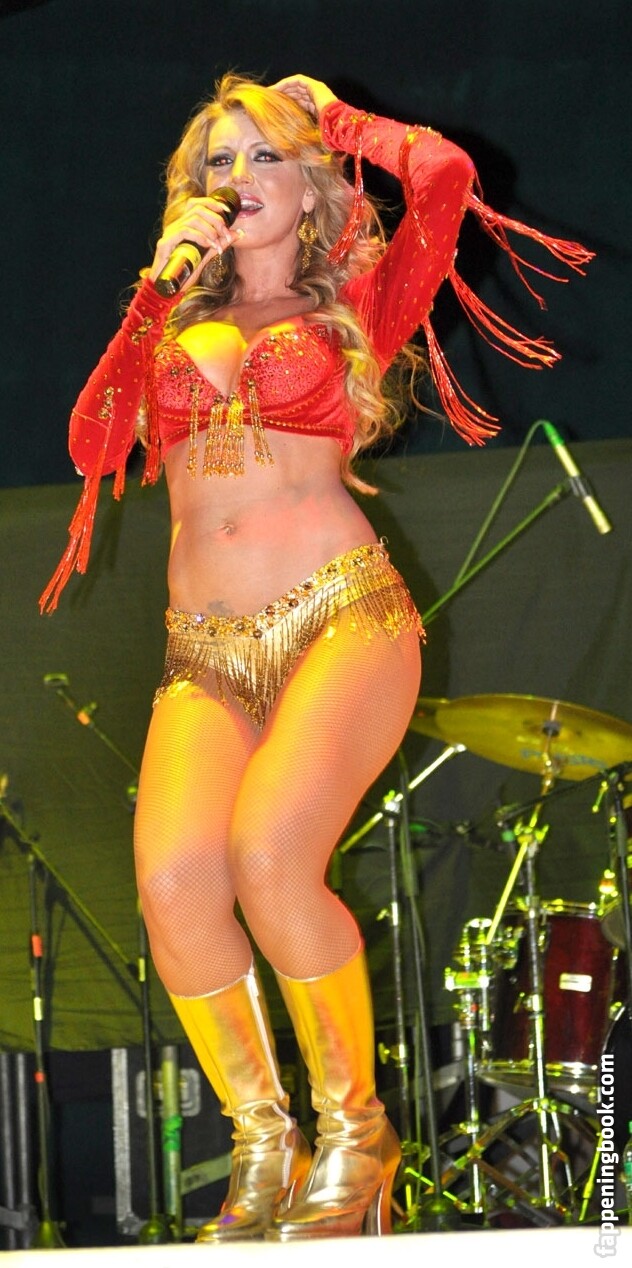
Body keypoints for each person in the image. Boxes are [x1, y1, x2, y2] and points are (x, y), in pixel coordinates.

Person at [40, 73, 592, 1240]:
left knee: (269, 854)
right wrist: (153, 287)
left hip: (341, 616)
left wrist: (336, 121)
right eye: (217, 160)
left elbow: (442, 177)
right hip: (205, 650)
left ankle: (357, 1131)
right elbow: (94, 441)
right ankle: (262, 1141)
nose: (237, 177)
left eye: (263, 156)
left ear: (309, 189)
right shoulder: (171, 315)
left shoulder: (356, 305)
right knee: (173, 883)